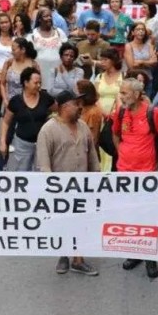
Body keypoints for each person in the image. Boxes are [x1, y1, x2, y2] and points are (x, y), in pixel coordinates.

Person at [36, 90, 100, 275]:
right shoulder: (48, 130)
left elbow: (93, 156)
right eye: (76, 104)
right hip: (60, 190)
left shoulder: (83, 126)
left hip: (82, 187)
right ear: (64, 107)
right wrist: (51, 187)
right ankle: (63, 255)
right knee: (63, 222)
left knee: (81, 222)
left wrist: (96, 178)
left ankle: (78, 260)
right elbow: (43, 163)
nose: (80, 107)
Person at [112, 78, 158, 279]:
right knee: (129, 215)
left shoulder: (152, 113)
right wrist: (121, 152)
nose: (122, 97)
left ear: (137, 95)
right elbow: (115, 134)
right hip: (125, 173)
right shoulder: (121, 112)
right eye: (121, 93)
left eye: (125, 93)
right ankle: (134, 253)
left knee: (147, 216)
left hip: (146, 174)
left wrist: (156, 163)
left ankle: (150, 258)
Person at [29, 7, 67, 90]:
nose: (49, 18)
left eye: (50, 16)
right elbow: (28, 55)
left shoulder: (59, 32)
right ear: (39, 19)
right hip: (40, 73)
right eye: (45, 16)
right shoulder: (33, 35)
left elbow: (66, 50)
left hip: (58, 73)